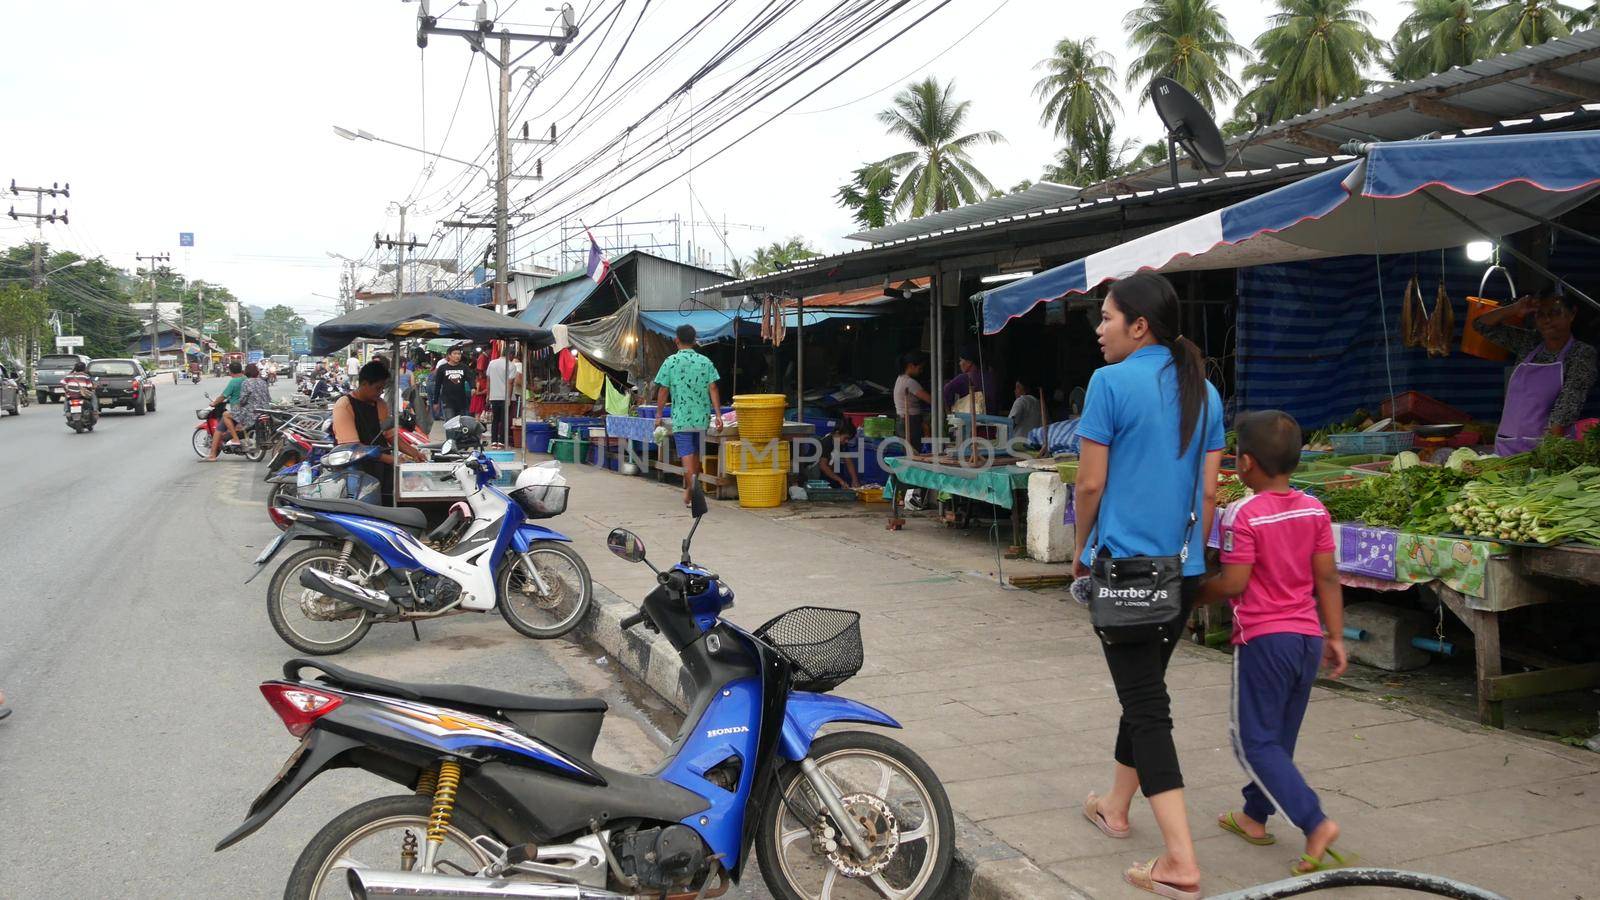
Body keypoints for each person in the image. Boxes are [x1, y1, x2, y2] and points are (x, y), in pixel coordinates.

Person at [1072, 273, 1223, 900]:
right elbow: (1210, 493)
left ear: (1139, 325)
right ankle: (1114, 804)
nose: (1099, 329)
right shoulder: (1206, 393)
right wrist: (1190, 562)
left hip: (1126, 575)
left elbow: (1088, 486)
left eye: (1106, 318)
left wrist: (1080, 556)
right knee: (1145, 692)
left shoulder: (1109, 384)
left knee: (1147, 708)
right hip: (1179, 576)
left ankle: (1181, 861)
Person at [1201, 410, 1350, 876]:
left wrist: (1191, 593)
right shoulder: (1315, 508)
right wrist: (1336, 635)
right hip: (1306, 638)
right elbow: (1327, 576)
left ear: (1244, 463)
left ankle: (1314, 821)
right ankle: (1253, 815)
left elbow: (1233, 584)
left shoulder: (1242, 513)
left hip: (1265, 640)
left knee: (1254, 742)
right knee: (1279, 738)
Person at [1470, 290, 1598, 455]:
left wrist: (1546, 454)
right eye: (1540, 315)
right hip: (1506, 445)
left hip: (1546, 448)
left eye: (1555, 313)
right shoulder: (1529, 343)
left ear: (1572, 314)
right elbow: (1480, 325)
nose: (1547, 320)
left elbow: (1567, 406)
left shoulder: (1581, 353)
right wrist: (1515, 309)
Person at [332, 361, 426, 504]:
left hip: (381, 465)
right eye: (377, 388)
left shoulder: (379, 404)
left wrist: (414, 453)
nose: (381, 392)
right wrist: (393, 460)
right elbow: (354, 449)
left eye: (382, 388)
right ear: (364, 384)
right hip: (356, 469)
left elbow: (390, 435)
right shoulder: (345, 405)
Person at [652, 324, 723, 506]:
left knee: (686, 455)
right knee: (696, 455)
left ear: (676, 340)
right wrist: (718, 415)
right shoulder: (705, 362)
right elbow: (713, 387)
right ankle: (690, 492)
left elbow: (663, 390)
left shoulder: (670, 362)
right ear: (694, 340)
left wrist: (658, 414)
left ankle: (691, 489)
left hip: (682, 418)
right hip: (701, 418)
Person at [201, 362, 246, 461]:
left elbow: (223, 396)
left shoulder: (234, 381)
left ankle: (213, 455)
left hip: (237, 410)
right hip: (247, 410)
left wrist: (214, 403)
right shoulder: (245, 379)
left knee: (219, 429)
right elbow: (237, 395)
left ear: (230, 371)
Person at [485, 342, 524, 446]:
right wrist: (508, 398)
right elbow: (510, 383)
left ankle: (493, 441)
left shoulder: (492, 363)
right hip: (505, 397)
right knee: (504, 420)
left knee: (495, 420)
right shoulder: (511, 366)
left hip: (494, 396)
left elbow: (488, 380)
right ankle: (501, 441)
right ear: (510, 355)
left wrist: (488, 395)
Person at [941, 345, 999, 411]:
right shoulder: (990, 376)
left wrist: (951, 406)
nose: (959, 363)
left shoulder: (963, 378)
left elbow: (946, 391)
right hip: (991, 417)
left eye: (961, 360)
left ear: (969, 363)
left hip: (971, 418)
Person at [430, 344, 474, 429]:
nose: (457, 356)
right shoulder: (442, 368)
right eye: (455, 353)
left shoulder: (464, 367)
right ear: (449, 355)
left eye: (459, 354)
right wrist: (435, 402)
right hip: (448, 400)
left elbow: (470, 378)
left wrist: (473, 387)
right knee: (450, 424)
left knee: (460, 425)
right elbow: (437, 385)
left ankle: (458, 442)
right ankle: (450, 441)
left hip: (461, 401)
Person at [808, 420, 860, 489]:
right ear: (837, 433)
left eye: (848, 439)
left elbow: (848, 461)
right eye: (845, 438)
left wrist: (854, 480)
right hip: (814, 475)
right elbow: (823, 466)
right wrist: (841, 481)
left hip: (828, 474)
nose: (847, 441)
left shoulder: (842, 443)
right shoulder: (827, 442)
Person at [893, 353, 931, 447]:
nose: (921, 371)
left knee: (908, 451)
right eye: (920, 368)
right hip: (910, 421)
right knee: (913, 451)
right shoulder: (910, 382)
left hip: (902, 419)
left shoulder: (900, 379)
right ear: (911, 366)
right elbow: (931, 400)